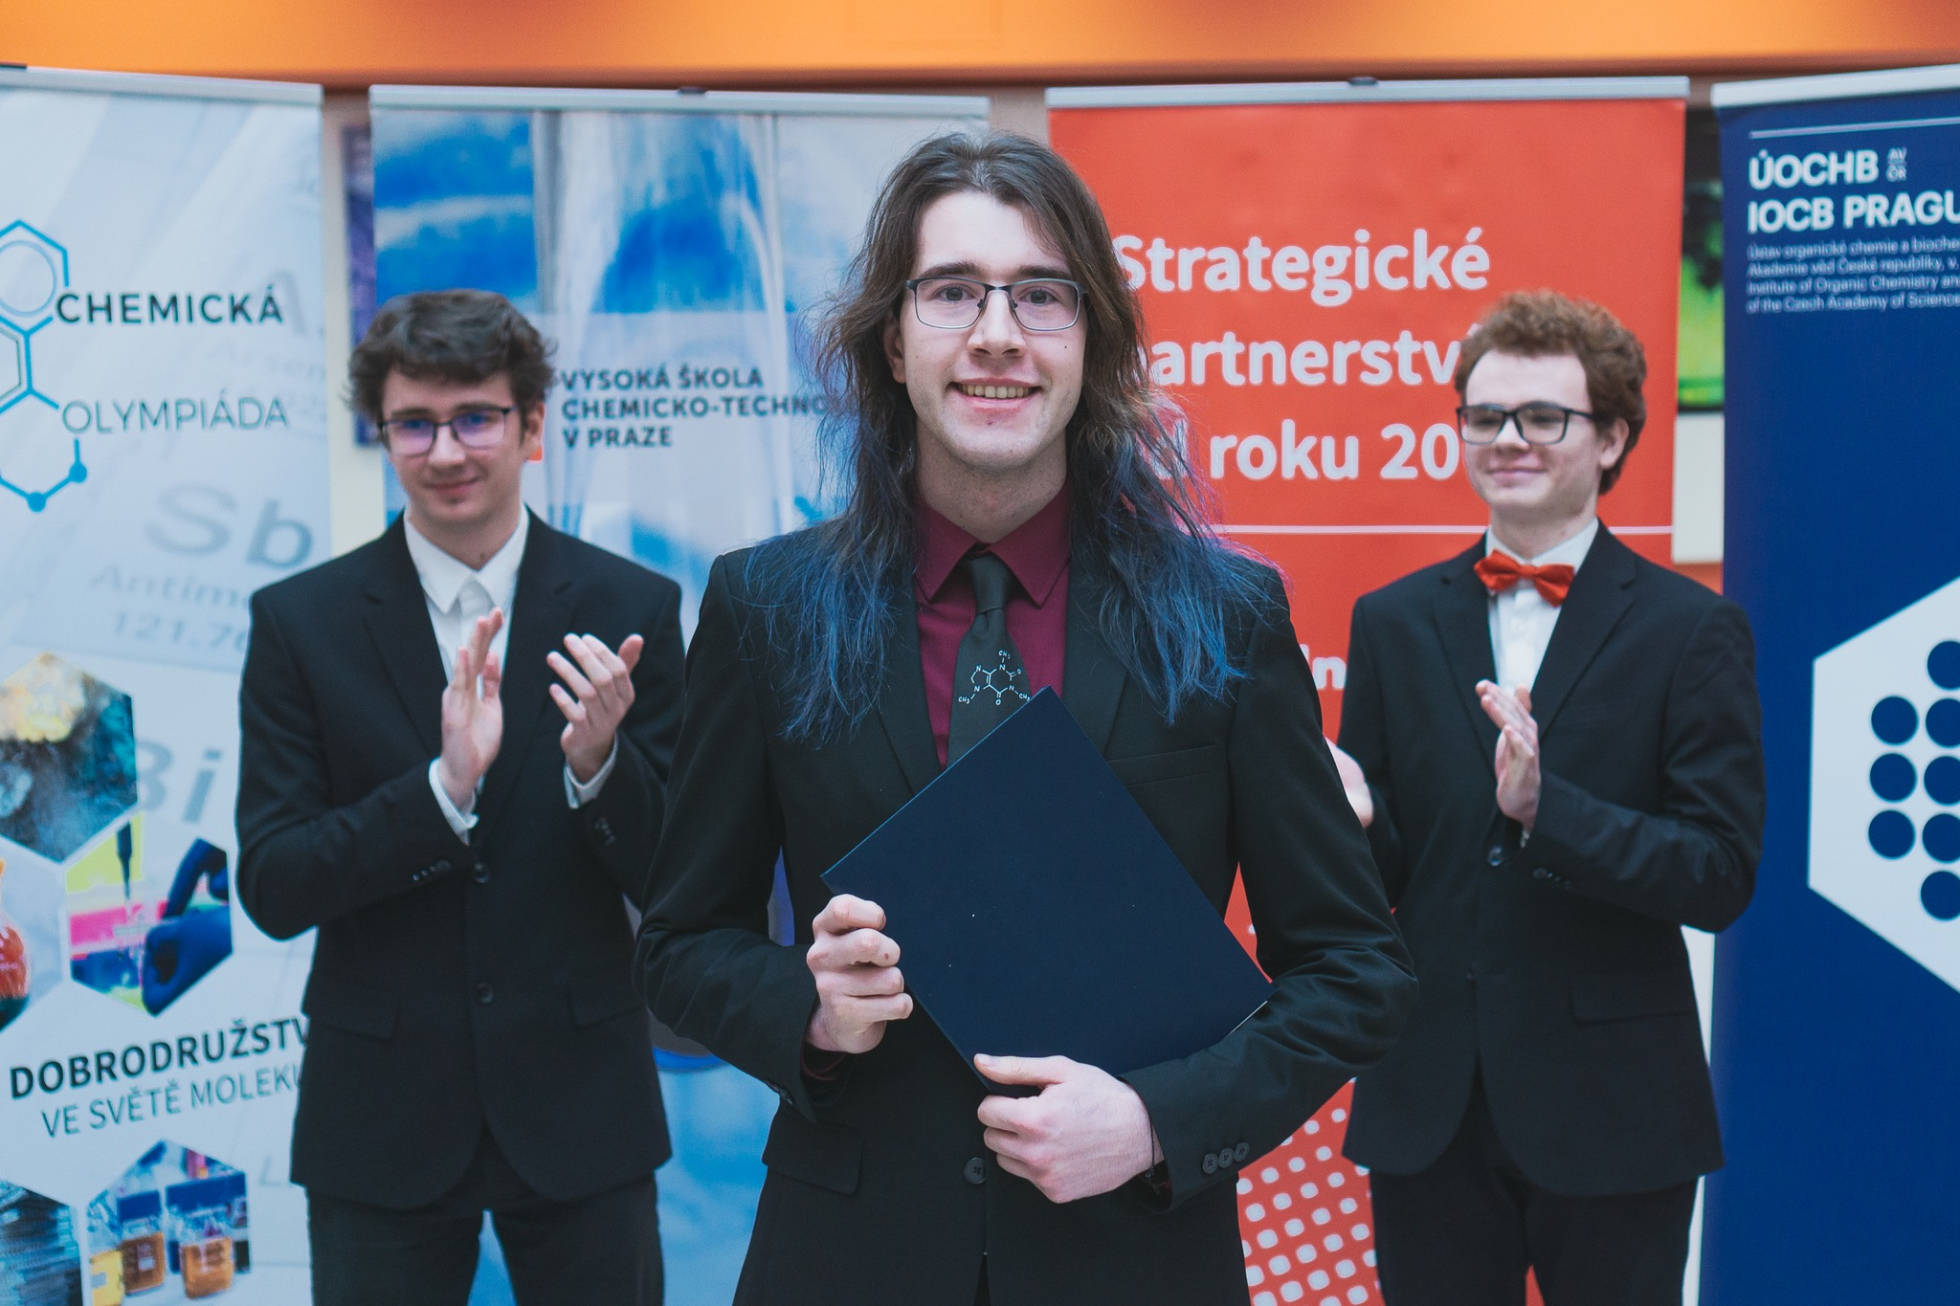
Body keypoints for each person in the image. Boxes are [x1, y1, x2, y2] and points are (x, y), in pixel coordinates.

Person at [634, 131, 1416, 1306]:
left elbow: (1354, 971)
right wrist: (811, 1011)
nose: (996, 333)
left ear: (1091, 339)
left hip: (1135, 1263)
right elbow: (681, 945)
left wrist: (1156, 1120)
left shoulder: (1225, 614)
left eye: (1041, 295)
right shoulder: (767, 606)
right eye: (952, 291)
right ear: (890, 340)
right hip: (848, 1262)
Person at [235, 290, 684, 1306]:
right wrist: (441, 791)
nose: (445, 451)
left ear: (532, 426)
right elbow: (274, 882)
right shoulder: (301, 623)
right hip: (380, 1116)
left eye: (476, 417)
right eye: (415, 424)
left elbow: (680, 876)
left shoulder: (631, 608)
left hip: (583, 1104)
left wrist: (599, 765)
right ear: (381, 433)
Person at [1331, 290, 1766, 1306]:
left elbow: (1717, 873)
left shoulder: (1691, 629)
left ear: (1611, 438)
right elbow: (1391, 874)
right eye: (1485, 416)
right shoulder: (1390, 620)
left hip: (1616, 1110)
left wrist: (1546, 811)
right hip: (1429, 1102)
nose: (1508, 439)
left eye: (1542, 417)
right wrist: (1350, 824)